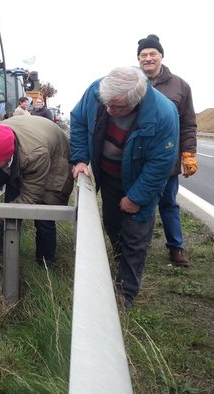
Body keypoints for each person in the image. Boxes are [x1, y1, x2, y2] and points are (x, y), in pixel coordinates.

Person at [69, 66, 178, 309]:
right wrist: (79, 159)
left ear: (136, 101)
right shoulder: (97, 91)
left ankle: (125, 294)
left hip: (140, 181)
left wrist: (137, 197)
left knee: (136, 235)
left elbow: (162, 163)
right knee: (112, 223)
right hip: (109, 176)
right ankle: (120, 260)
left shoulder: (163, 114)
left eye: (117, 107)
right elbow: (77, 120)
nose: (108, 110)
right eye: (106, 103)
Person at [0, 115, 74, 267]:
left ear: (8, 156)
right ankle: (0, 257)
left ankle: (44, 265)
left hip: (55, 155)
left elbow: (29, 199)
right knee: (11, 201)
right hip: (28, 145)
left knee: (44, 215)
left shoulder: (35, 154)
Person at [137, 34, 198, 267]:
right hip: (137, 157)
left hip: (166, 159)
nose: (148, 58)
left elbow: (189, 123)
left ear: (161, 56)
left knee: (168, 203)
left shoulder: (180, 86)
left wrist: (188, 153)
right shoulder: (132, 81)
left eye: (153, 54)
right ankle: (136, 246)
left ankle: (176, 248)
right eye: (143, 55)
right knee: (137, 201)